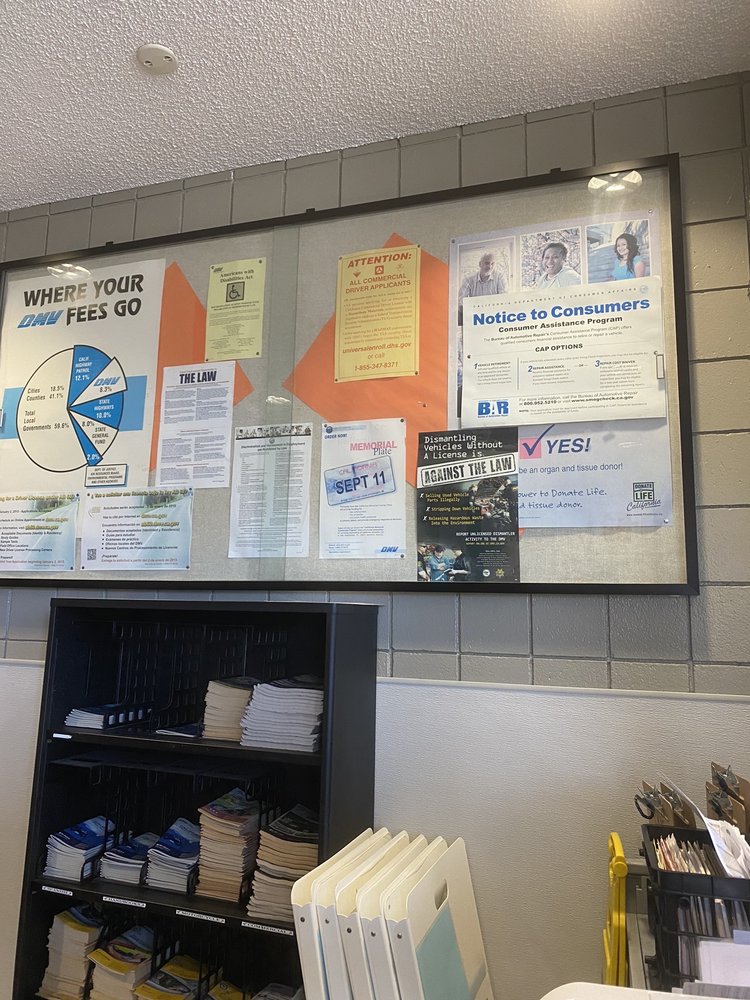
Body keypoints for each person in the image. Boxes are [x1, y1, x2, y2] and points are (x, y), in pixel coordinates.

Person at [458, 251, 506, 324]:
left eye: (492, 264)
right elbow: (461, 301)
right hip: (475, 316)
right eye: (487, 263)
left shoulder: (500, 277)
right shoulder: (468, 279)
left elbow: (504, 299)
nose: (490, 267)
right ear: (480, 264)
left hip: (495, 316)